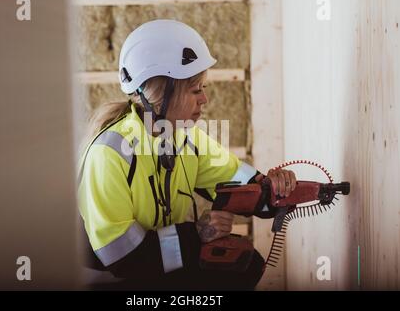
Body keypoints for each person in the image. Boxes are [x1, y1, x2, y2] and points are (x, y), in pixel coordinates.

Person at [77, 19, 297, 290]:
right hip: (113, 278)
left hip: (152, 267)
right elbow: (122, 257)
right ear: (160, 94)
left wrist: (275, 189)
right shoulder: (109, 153)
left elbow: (243, 185)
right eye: (196, 90)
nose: (204, 99)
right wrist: (197, 235)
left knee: (243, 263)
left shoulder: (186, 138)